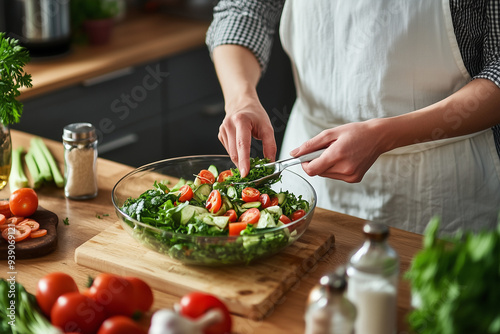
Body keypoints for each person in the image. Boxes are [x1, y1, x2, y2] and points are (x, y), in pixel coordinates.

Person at [205, 0, 500, 234]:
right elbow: (243, 10)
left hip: (444, 188)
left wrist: (388, 135)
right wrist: (241, 99)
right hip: (312, 171)